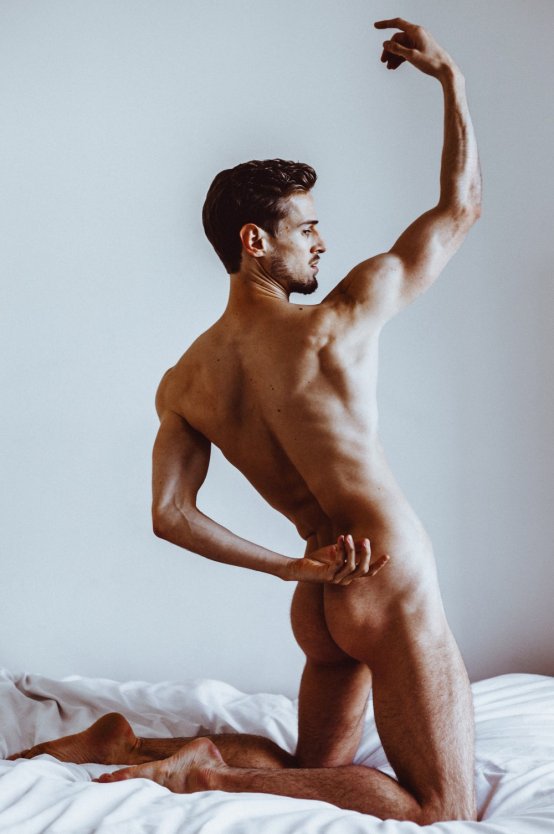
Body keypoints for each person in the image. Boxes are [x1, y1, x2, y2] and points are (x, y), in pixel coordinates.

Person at [10, 18, 482, 823]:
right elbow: (461, 209)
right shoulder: (336, 321)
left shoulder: (185, 379)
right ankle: (208, 777)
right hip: (386, 572)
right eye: (307, 227)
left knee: (310, 774)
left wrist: (290, 570)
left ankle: (130, 745)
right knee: (440, 808)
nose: (323, 243)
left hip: (320, 586)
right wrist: (452, 81)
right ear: (255, 240)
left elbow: (169, 515)